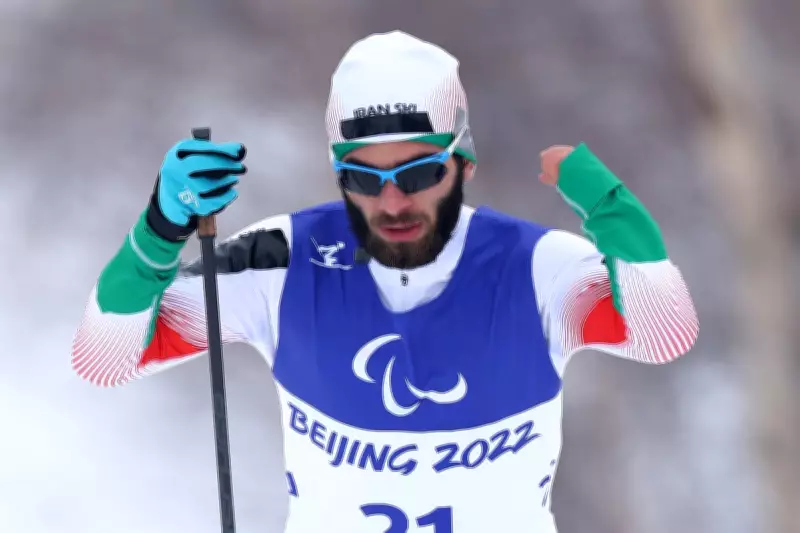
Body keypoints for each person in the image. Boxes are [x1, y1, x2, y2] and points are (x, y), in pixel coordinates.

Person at [72, 30, 699, 533]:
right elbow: (105, 358)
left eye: (419, 174)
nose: (393, 202)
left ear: (464, 163)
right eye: (363, 179)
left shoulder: (534, 267)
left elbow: (661, 332)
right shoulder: (284, 261)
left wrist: (608, 205)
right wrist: (160, 228)